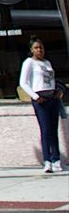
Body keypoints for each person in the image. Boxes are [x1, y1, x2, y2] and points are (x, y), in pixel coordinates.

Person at [19, 38, 61, 173]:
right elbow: (23, 82)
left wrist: (57, 91)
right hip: (40, 99)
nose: (39, 50)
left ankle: (56, 159)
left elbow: (51, 79)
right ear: (31, 49)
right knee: (45, 130)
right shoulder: (29, 63)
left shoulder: (47, 62)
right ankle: (47, 160)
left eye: (41, 47)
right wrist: (36, 97)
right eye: (36, 48)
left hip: (52, 98)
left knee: (54, 129)